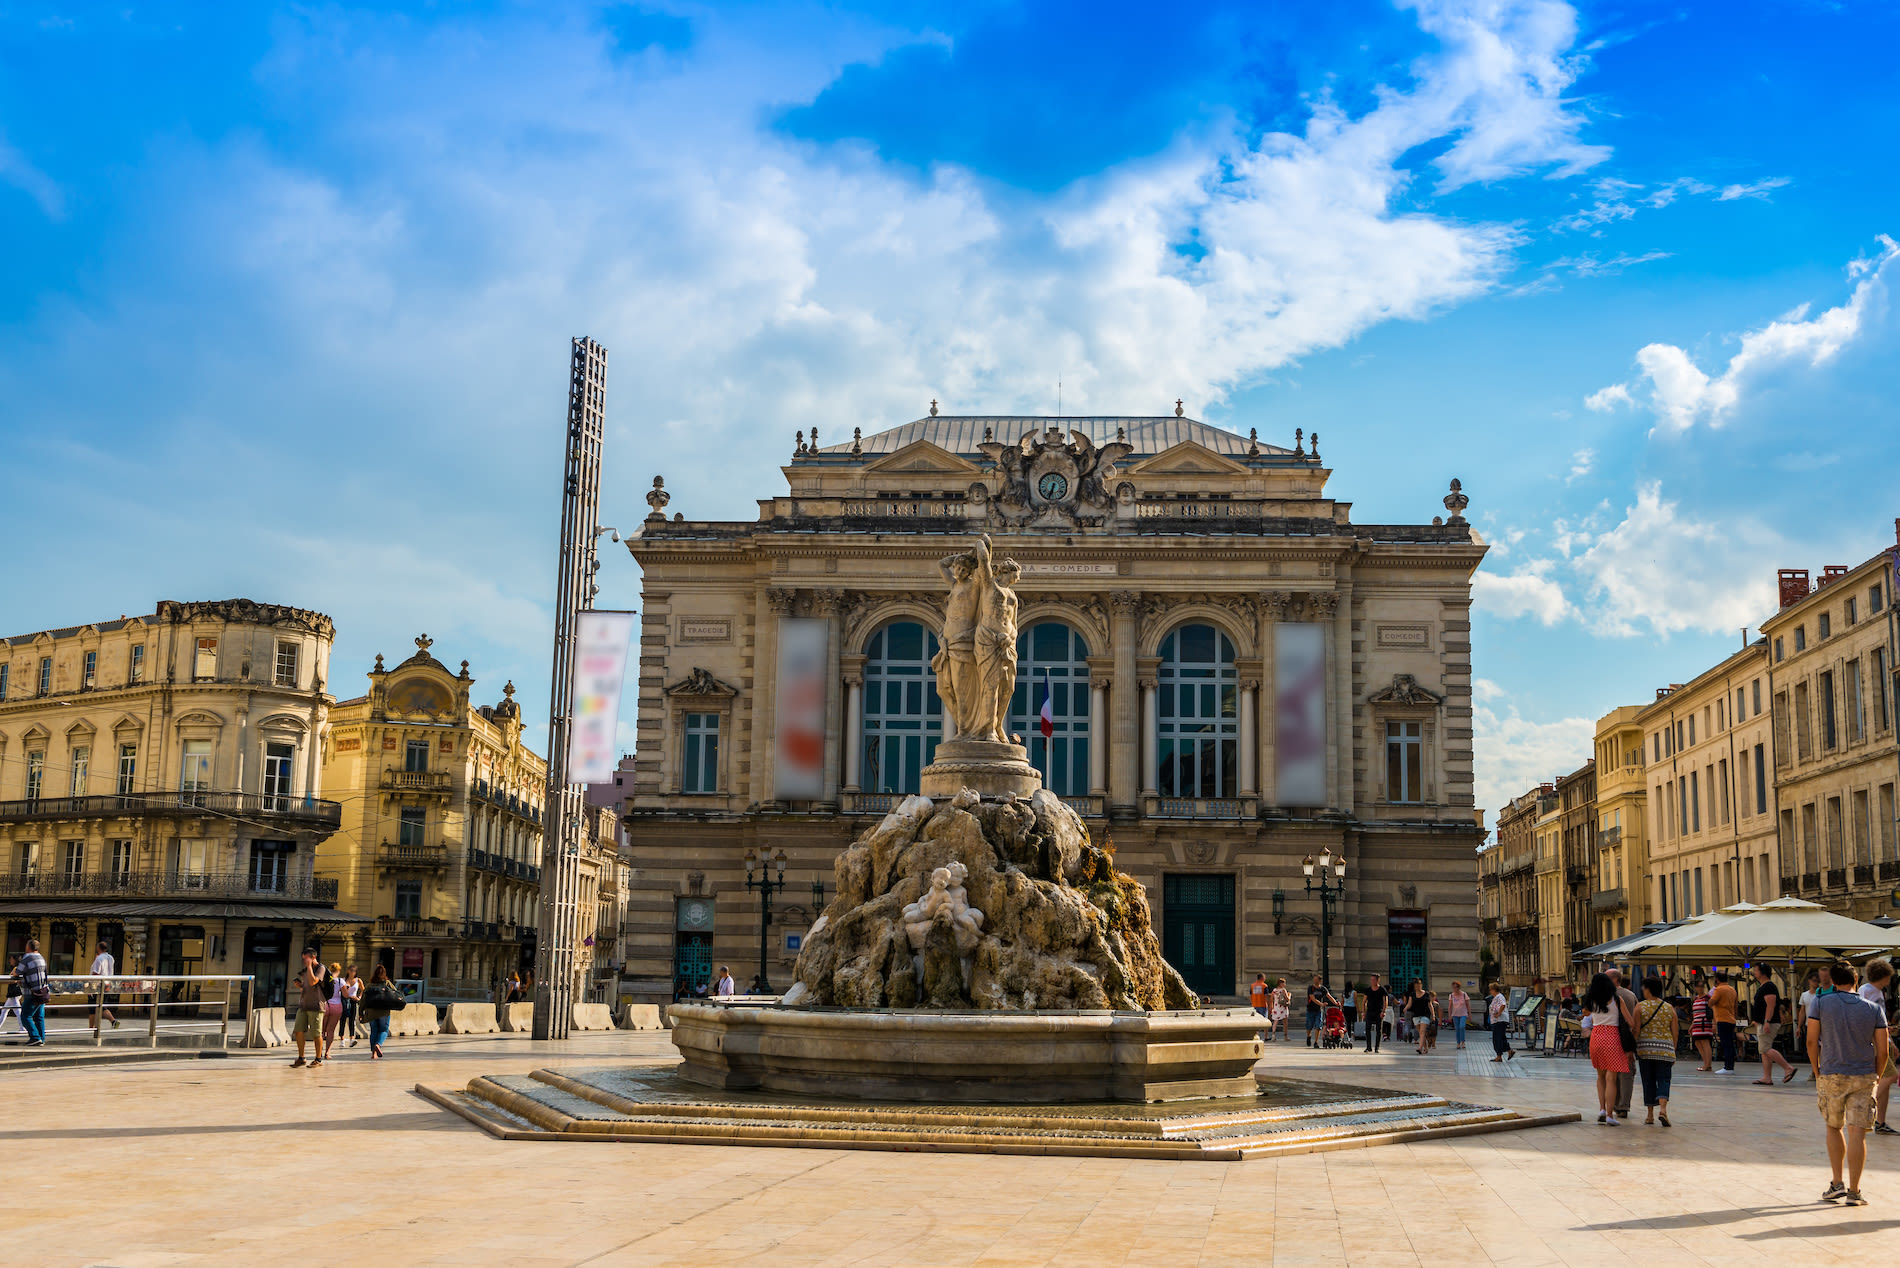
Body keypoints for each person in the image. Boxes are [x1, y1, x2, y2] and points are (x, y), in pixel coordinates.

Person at [1807, 960, 1888, 1206]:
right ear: (1856, 980)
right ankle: (1854, 1191)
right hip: (1864, 1075)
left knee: (1833, 1127)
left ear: (1832, 980)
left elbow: (1812, 1041)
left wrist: (1816, 1070)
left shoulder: (1819, 1003)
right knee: (1857, 1133)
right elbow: (1883, 1051)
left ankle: (1836, 1183)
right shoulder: (1873, 1008)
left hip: (1831, 1073)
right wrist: (1877, 1075)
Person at [1585, 972, 1635, 1125]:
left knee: (1600, 1077)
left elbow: (1586, 1014)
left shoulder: (1591, 1001)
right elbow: (1630, 1022)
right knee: (1611, 1078)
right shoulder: (1617, 1000)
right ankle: (1609, 1115)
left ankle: (1601, 1109)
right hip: (1612, 1037)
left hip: (1596, 1037)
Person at [1635, 975, 1678, 1127]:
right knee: (1664, 1079)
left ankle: (1650, 1115)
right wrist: (1673, 1050)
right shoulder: (1669, 1008)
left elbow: (1636, 1030)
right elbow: (1675, 1031)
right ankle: (1664, 1110)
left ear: (1648, 989)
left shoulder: (1640, 1007)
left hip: (1645, 1050)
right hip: (1665, 1050)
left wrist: (1634, 1047)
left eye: (1643, 988)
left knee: (1648, 1081)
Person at [1752, 965, 1797, 1086]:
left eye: (1755, 970)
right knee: (1764, 1051)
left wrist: (1767, 1021)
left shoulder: (1769, 987)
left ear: (1762, 973)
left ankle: (1788, 1068)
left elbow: (1770, 1005)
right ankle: (1767, 1077)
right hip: (1763, 1022)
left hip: (1768, 1022)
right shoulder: (1763, 986)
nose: (1753, 972)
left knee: (1765, 1049)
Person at [1605, 968, 1639, 1121]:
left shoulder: (1606, 995)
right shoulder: (1631, 995)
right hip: (1627, 1038)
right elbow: (1635, 1020)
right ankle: (1624, 1106)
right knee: (1626, 1073)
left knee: (1612, 1074)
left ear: (1614, 979)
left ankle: (1614, 1105)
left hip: (1610, 1037)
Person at [290, 948, 326, 1069]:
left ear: (313, 957)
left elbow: (313, 982)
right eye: (303, 959)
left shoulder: (321, 969)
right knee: (298, 1031)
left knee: (316, 1033)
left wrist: (310, 966)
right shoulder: (305, 970)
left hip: (316, 1005)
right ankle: (301, 1058)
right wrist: (300, 985)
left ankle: (318, 1059)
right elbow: (306, 987)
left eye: (306, 959)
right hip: (304, 1004)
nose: (304, 961)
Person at [11, 939, 49, 1047]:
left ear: (28, 947)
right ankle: (41, 1038)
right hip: (43, 991)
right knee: (39, 1017)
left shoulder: (27, 958)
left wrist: (14, 972)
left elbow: (17, 972)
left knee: (25, 1016)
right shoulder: (41, 957)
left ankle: (35, 1037)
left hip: (32, 992)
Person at [361, 964, 398, 1060]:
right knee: (383, 1030)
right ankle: (378, 1044)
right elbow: (396, 994)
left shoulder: (369, 985)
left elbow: (363, 1000)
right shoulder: (387, 983)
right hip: (384, 1012)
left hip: (371, 1012)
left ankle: (374, 1054)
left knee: (374, 1031)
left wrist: (361, 1012)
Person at [1708, 970, 1739, 1074]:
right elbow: (1735, 1006)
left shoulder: (1719, 990)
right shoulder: (1732, 990)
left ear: (1717, 979)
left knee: (1725, 1044)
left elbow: (1710, 1003)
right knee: (1730, 1043)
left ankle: (1728, 1067)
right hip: (1731, 1019)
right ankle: (1731, 1065)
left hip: (1722, 1019)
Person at [89, 940, 120, 1036]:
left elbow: (95, 973)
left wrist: (91, 987)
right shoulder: (110, 958)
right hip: (107, 984)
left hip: (97, 985)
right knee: (101, 1006)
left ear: (98, 948)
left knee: (93, 1007)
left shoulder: (99, 959)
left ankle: (92, 1028)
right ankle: (112, 1021)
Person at [320, 961, 345, 1059]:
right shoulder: (340, 981)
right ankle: (327, 1053)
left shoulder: (325, 980)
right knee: (331, 1031)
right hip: (337, 1006)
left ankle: (319, 1052)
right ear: (338, 971)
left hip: (325, 1005)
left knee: (321, 1031)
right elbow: (346, 995)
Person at [1690, 979, 1714, 1071]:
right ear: (1695, 987)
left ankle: (1708, 1065)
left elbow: (1713, 1010)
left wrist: (1714, 1023)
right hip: (1697, 1023)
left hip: (1704, 1023)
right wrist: (1692, 1025)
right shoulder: (1696, 999)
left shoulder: (1707, 998)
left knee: (1705, 1042)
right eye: (1699, 986)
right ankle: (1706, 1063)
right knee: (1697, 1042)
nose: (1700, 988)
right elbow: (1695, 1014)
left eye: (1702, 986)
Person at [1487, 981, 1515, 1062]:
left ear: (1494, 990)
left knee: (1497, 1038)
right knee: (1501, 1037)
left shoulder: (1499, 997)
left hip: (1499, 1020)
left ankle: (1499, 1055)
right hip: (1498, 1020)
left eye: (1491, 990)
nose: (1490, 991)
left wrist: (1499, 1013)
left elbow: (1503, 1005)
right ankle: (1509, 1051)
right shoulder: (1497, 997)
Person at [1363, 974, 1390, 1054]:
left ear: (1378, 980)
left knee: (1379, 1030)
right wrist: (1363, 1012)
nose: (1372, 981)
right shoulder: (1368, 990)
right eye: (1371, 980)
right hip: (1370, 1011)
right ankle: (1368, 1047)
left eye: (1374, 980)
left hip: (1379, 1011)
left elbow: (1386, 1001)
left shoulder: (1382, 990)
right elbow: (1364, 1001)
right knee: (1367, 1029)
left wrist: (1383, 1011)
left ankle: (1376, 1047)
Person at [1406, 979, 1431, 1055]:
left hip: (1425, 1015)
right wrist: (1405, 1008)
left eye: (1419, 985)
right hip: (1416, 1015)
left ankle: (1420, 1048)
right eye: (1416, 985)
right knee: (1421, 1033)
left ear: (1421, 985)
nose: (1418, 986)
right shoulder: (1412, 994)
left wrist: (1433, 1014)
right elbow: (1409, 1003)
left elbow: (1430, 1005)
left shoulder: (1426, 994)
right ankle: (1426, 1048)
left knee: (1422, 1031)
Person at [341, 964, 363, 1047]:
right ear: (348, 971)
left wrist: (359, 997)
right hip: (345, 1000)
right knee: (343, 1020)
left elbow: (363, 990)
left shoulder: (358, 980)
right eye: (350, 970)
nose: (352, 972)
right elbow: (340, 990)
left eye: (354, 971)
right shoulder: (343, 980)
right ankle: (342, 1039)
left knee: (352, 1020)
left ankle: (352, 1038)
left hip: (354, 1001)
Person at [1448, 981, 1471, 1050]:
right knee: (1457, 1028)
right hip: (1455, 1014)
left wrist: (1469, 1014)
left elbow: (1468, 1005)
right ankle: (1458, 1043)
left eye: (1456, 987)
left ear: (1459, 987)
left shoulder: (1464, 994)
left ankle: (1463, 1042)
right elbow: (1450, 1006)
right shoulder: (1451, 995)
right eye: (1453, 987)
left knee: (1462, 1027)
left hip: (1463, 1013)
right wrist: (1449, 1015)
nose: (1454, 989)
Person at [1305, 975, 1326, 1047]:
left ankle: (1316, 1042)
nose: (1314, 981)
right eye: (1314, 979)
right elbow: (1312, 998)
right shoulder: (1310, 988)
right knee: (1309, 1026)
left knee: (1318, 1026)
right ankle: (1308, 1036)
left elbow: (1329, 995)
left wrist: (1336, 1002)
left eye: (1316, 979)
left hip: (1319, 1010)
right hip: (1310, 1009)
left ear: (1320, 981)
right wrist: (1321, 1004)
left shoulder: (1322, 989)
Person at [1269, 978, 1291, 1043]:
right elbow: (1287, 999)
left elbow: (1271, 999)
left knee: (1275, 1021)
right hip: (1283, 1007)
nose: (1284, 984)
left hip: (1276, 1007)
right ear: (1280, 983)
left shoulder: (1274, 990)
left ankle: (1273, 1035)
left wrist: (1271, 1007)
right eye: (1284, 983)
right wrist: (1289, 995)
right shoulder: (1283, 990)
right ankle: (1285, 1036)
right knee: (1285, 1022)